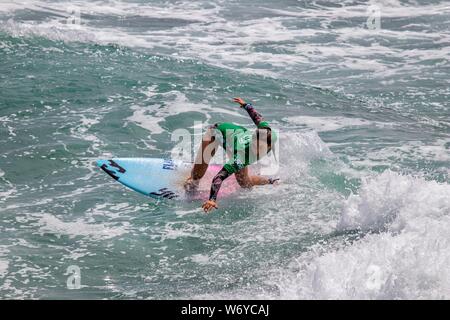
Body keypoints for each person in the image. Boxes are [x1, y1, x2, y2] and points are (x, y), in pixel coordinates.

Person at [185, 97, 279, 213]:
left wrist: (246, 105)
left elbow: (257, 118)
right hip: (215, 133)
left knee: (245, 183)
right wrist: (212, 199)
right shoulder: (243, 155)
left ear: (269, 146)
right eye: (254, 145)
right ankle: (190, 183)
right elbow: (219, 177)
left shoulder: (269, 133)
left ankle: (270, 181)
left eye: (260, 147)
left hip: (234, 140)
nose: (256, 149)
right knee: (197, 176)